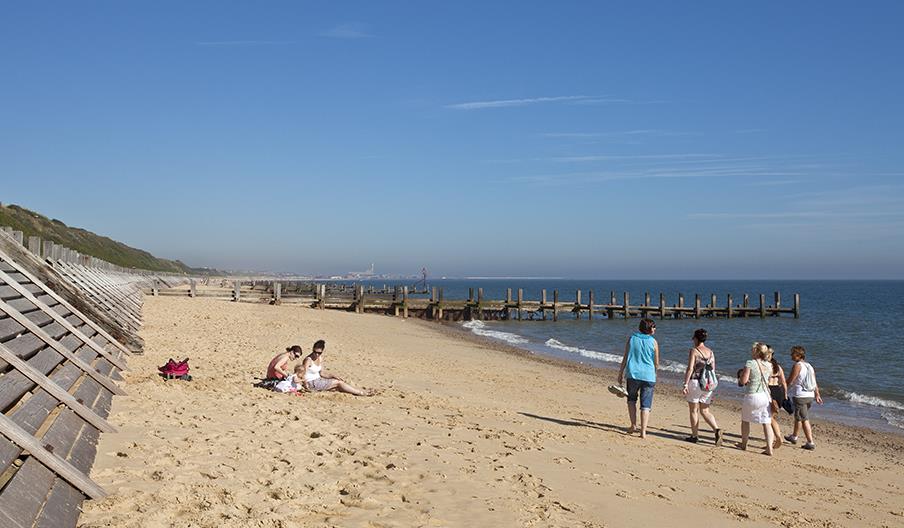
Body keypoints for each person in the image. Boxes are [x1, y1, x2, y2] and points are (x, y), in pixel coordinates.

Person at [617, 318, 659, 439]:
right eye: (653, 326)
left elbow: (625, 358)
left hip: (633, 374)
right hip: (649, 375)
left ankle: (633, 425)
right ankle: (643, 431)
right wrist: (655, 373)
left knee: (631, 400)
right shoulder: (654, 342)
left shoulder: (632, 339)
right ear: (649, 328)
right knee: (646, 404)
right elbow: (656, 362)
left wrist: (620, 373)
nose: (655, 329)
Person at [681, 329, 723, 446]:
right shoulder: (710, 352)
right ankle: (716, 429)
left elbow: (690, 368)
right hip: (707, 384)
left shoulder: (694, 351)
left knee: (694, 410)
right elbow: (713, 370)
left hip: (695, 382)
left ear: (695, 338)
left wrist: (685, 383)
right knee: (705, 410)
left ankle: (694, 436)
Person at [738, 342, 775, 455]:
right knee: (766, 422)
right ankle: (769, 448)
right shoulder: (769, 365)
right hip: (764, 396)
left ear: (756, 351)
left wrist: (741, 379)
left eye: (753, 349)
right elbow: (768, 380)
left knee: (745, 421)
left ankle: (744, 444)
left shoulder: (750, 363)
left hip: (752, 395)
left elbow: (743, 381)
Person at [302, 340, 375, 396]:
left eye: (319, 353)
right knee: (338, 383)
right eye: (315, 352)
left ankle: (359, 390)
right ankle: (361, 393)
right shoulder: (308, 360)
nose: (317, 354)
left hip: (319, 380)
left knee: (338, 384)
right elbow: (303, 374)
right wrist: (306, 386)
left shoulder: (320, 358)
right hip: (311, 383)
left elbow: (322, 373)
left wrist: (333, 376)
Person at [785, 346, 823, 450]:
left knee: (804, 419)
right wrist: (817, 394)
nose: (791, 355)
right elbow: (814, 382)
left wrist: (783, 389)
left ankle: (810, 442)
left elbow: (790, 381)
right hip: (809, 396)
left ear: (798, 355)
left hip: (800, 396)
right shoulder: (809, 366)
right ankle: (794, 436)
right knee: (799, 416)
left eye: (792, 353)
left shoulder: (798, 365)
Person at [765, 345, 787, 450]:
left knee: (769, 418)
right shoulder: (778, 367)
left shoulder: (765, 366)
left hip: (770, 391)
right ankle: (773, 440)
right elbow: (783, 382)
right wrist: (785, 395)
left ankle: (777, 438)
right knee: (771, 417)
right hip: (779, 391)